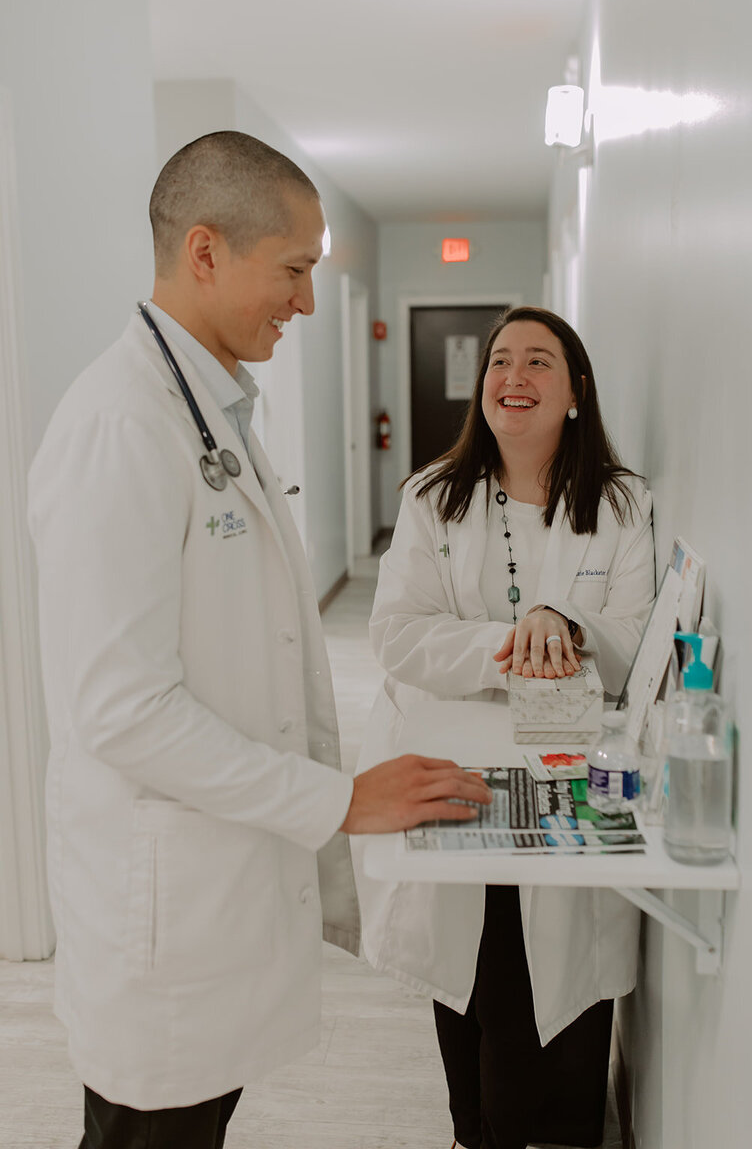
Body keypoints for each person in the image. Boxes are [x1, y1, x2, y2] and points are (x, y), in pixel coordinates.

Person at [27, 131, 491, 1149]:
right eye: (292, 270)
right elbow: (120, 709)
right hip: (163, 908)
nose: (306, 302)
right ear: (204, 251)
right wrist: (338, 801)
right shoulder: (122, 425)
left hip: (216, 887)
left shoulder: (212, 410)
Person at [355, 306, 656, 1149]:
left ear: (575, 391)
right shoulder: (432, 497)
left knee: (558, 970)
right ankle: (476, 1131)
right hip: (453, 764)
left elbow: (632, 641)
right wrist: (512, 643)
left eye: (538, 362)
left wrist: (572, 625)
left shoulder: (623, 504)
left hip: (563, 765)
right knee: (476, 969)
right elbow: (398, 633)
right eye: (500, 361)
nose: (513, 377)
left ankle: (559, 1127)